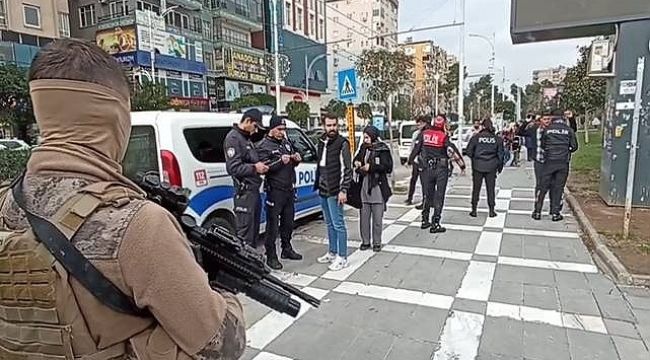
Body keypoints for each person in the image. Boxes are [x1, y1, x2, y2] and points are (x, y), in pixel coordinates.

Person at [0, 39, 245, 359]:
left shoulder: (7, 202)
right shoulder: (139, 225)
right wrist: (221, 290)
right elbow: (222, 344)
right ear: (115, 117)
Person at [256, 115, 303, 270]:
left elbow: (292, 162)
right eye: (279, 129)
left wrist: (296, 159)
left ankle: (286, 248)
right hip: (275, 190)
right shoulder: (264, 145)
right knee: (272, 225)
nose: (282, 132)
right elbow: (265, 168)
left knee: (288, 222)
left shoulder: (286, 142)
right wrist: (279, 161)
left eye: (284, 129)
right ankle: (271, 255)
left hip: (289, 188)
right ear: (271, 129)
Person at [408, 115, 466, 233]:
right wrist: (462, 165)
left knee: (427, 194)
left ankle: (425, 220)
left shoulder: (424, 134)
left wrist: (410, 161)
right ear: (444, 125)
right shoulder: (443, 137)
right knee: (439, 196)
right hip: (441, 169)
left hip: (427, 169)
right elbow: (452, 151)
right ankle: (435, 223)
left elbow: (416, 149)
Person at [224, 108, 269, 251]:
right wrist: (255, 168)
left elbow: (251, 159)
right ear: (248, 121)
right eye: (255, 126)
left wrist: (262, 165)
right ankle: (244, 269)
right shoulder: (233, 139)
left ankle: (253, 264)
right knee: (245, 236)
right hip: (244, 193)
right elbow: (233, 168)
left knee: (254, 232)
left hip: (253, 191)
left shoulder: (245, 138)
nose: (255, 131)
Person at [314, 113, 353, 271]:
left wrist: (343, 190)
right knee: (329, 223)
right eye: (329, 125)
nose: (332, 128)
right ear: (324, 126)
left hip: (335, 189)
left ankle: (342, 256)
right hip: (323, 188)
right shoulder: (321, 141)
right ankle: (332, 251)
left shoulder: (342, 143)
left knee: (338, 224)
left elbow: (347, 169)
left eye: (334, 125)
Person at [533, 109, 578, 221]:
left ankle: (537, 212)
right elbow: (574, 147)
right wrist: (566, 150)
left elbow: (543, 145)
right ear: (563, 117)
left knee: (542, 187)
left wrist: (550, 151)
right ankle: (555, 213)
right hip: (563, 162)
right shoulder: (568, 130)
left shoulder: (547, 130)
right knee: (558, 188)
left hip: (549, 162)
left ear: (553, 118)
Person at [353, 125, 393, 252]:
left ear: (373, 136)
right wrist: (357, 163)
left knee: (377, 218)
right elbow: (357, 158)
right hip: (364, 186)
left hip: (378, 187)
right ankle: (365, 241)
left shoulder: (383, 149)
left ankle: (377, 242)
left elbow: (387, 167)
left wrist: (372, 167)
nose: (365, 140)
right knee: (364, 218)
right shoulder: (363, 148)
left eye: (367, 137)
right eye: (364, 137)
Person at [466, 118, 505, 218]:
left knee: (476, 188)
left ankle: (474, 209)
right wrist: (499, 167)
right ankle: (491, 210)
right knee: (490, 188)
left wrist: (475, 159)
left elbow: (469, 151)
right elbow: (501, 155)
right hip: (491, 166)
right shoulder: (497, 139)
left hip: (478, 166)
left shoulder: (476, 137)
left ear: (482, 126)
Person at [405, 116, 428, 208]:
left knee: (425, 182)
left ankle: (425, 201)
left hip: (423, 161)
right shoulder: (415, 134)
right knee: (413, 179)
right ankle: (410, 198)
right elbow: (413, 148)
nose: (419, 125)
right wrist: (410, 159)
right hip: (416, 161)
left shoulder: (426, 134)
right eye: (418, 123)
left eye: (421, 123)